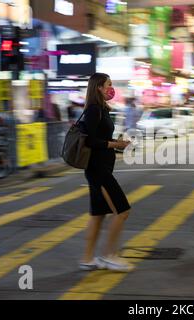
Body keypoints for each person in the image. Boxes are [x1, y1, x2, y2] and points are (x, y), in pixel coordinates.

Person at [79, 73, 133, 272]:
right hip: (97, 170)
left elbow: (99, 138)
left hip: (100, 168)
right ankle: (110, 255)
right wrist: (116, 144)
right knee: (122, 211)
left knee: (98, 214)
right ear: (99, 88)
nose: (112, 88)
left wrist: (115, 144)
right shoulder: (94, 110)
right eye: (109, 84)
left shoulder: (101, 109)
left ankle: (87, 259)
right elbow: (90, 141)